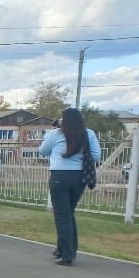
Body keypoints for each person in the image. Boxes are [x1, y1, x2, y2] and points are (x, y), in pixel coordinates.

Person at [38, 107, 100, 266]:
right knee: (68, 213)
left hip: (60, 176)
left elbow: (42, 151)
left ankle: (67, 255)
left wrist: (50, 135)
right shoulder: (89, 133)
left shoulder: (56, 134)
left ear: (63, 120)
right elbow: (96, 155)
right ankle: (63, 249)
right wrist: (80, 154)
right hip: (80, 177)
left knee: (62, 215)